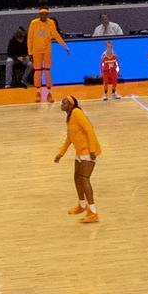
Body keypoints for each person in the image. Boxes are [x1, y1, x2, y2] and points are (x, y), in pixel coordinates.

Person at [55, 95, 101, 223]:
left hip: (88, 151)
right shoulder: (69, 117)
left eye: (64, 102)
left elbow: (89, 130)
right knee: (77, 177)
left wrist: (92, 150)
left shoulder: (77, 113)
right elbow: (70, 137)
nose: (61, 104)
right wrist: (61, 153)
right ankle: (82, 205)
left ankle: (93, 212)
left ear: (70, 105)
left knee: (84, 179)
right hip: (80, 152)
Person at [27, 7, 65, 104]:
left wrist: (64, 45)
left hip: (47, 51)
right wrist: (30, 52)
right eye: (42, 14)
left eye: (45, 14)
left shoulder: (51, 23)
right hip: (36, 51)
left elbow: (56, 35)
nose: (43, 15)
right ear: (39, 14)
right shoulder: (34, 23)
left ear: (47, 14)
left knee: (47, 71)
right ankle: (38, 92)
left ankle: (49, 93)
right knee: (38, 71)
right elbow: (30, 38)